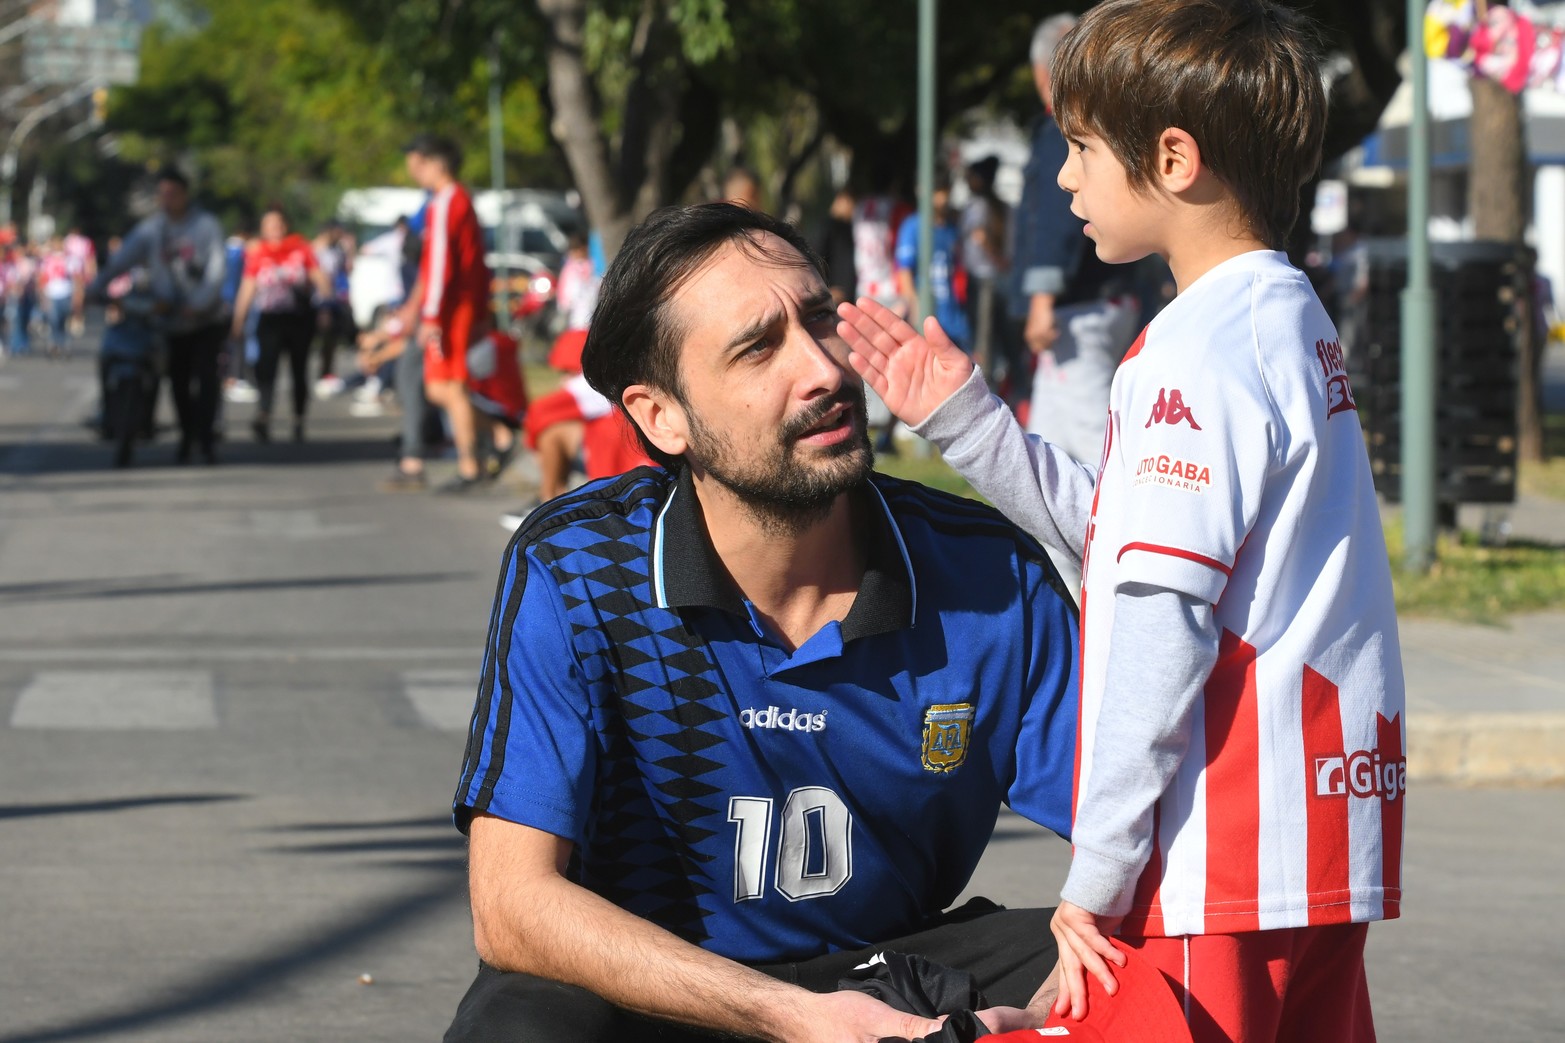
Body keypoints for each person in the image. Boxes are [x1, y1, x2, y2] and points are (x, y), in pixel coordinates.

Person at [837, 2, 1405, 1042]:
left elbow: (1156, 623)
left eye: (1081, 147)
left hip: (1215, 853)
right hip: (1318, 845)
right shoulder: (1285, 319)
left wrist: (1092, 876)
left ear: (1174, 158)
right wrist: (968, 422)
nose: (1062, 179)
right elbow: (1124, 537)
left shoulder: (1188, 354)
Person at [446, 202, 1081, 1043]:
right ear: (659, 415)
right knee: (519, 1021)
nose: (822, 369)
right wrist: (789, 1017)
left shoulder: (987, 571)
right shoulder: (577, 566)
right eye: (757, 348)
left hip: (883, 973)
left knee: (1141, 965)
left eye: (820, 319)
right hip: (650, 985)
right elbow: (511, 906)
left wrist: (1075, 988)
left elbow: (1159, 833)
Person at [1010, 14, 1137, 460]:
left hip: (1076, 308)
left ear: (1040, 73)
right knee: (1050, 440)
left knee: (1089, 441)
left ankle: (1118, 526)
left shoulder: (1061, 131)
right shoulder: (1104, 128)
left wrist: (1041, 300)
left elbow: (1054, 219)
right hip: (1102, 300)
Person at [93, 166, 229, 464]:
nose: (168, 199)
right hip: (171, 321)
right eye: (163, 194)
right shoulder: (151, 230)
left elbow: (217, 272)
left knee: (206, 381)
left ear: (185, 195)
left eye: (173, 193)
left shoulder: (206, 226)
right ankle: (187, 437)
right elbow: (121, 260)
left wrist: (199, 303)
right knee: (178, 382)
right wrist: (96, 286)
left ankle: (206, 440)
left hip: (206, 320)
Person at [404, 133, 493, 493]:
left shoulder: (443, 203)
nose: (414, 172)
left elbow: (441, 266)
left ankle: (470, 464)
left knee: (448, 388)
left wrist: (430, 316)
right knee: (440, 388)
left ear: (435, 162)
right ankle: (499, 436)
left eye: (417, 164)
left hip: (452, 310)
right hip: (461, 306)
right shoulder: (461, 200)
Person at [229, 205, 334, 442]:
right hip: (270, 319)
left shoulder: (301, 248)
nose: (275, 229)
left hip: (299, 318)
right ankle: (264, 415)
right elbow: (247, 288)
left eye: (278, 224)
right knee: (266, 369)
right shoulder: (258, 253)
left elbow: (321, 280)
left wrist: (326, 307)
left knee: (299, 369)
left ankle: (298, 419)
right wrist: (238, 320)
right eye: (270, 225)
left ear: (285, 225)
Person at [959, 156, 1011, 387]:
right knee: (991, 333)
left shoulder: (978, 206)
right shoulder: (999, 206)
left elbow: (979, 237)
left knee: (982, 334)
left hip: (982, 277)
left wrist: (995, 257)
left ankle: (985, 381)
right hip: (993, 276)